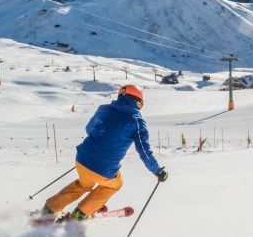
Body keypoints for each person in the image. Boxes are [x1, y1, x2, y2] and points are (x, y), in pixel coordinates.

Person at [38, 84, 167, 221]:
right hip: (103, 169)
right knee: (116, 184)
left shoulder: (104, 109)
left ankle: (50, 208)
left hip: (82, 159)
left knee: (84, 184)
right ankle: (82, 212)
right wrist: (157, 171)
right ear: (137, 102)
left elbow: (89, 129)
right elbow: (144, 152)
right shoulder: (137, 122)